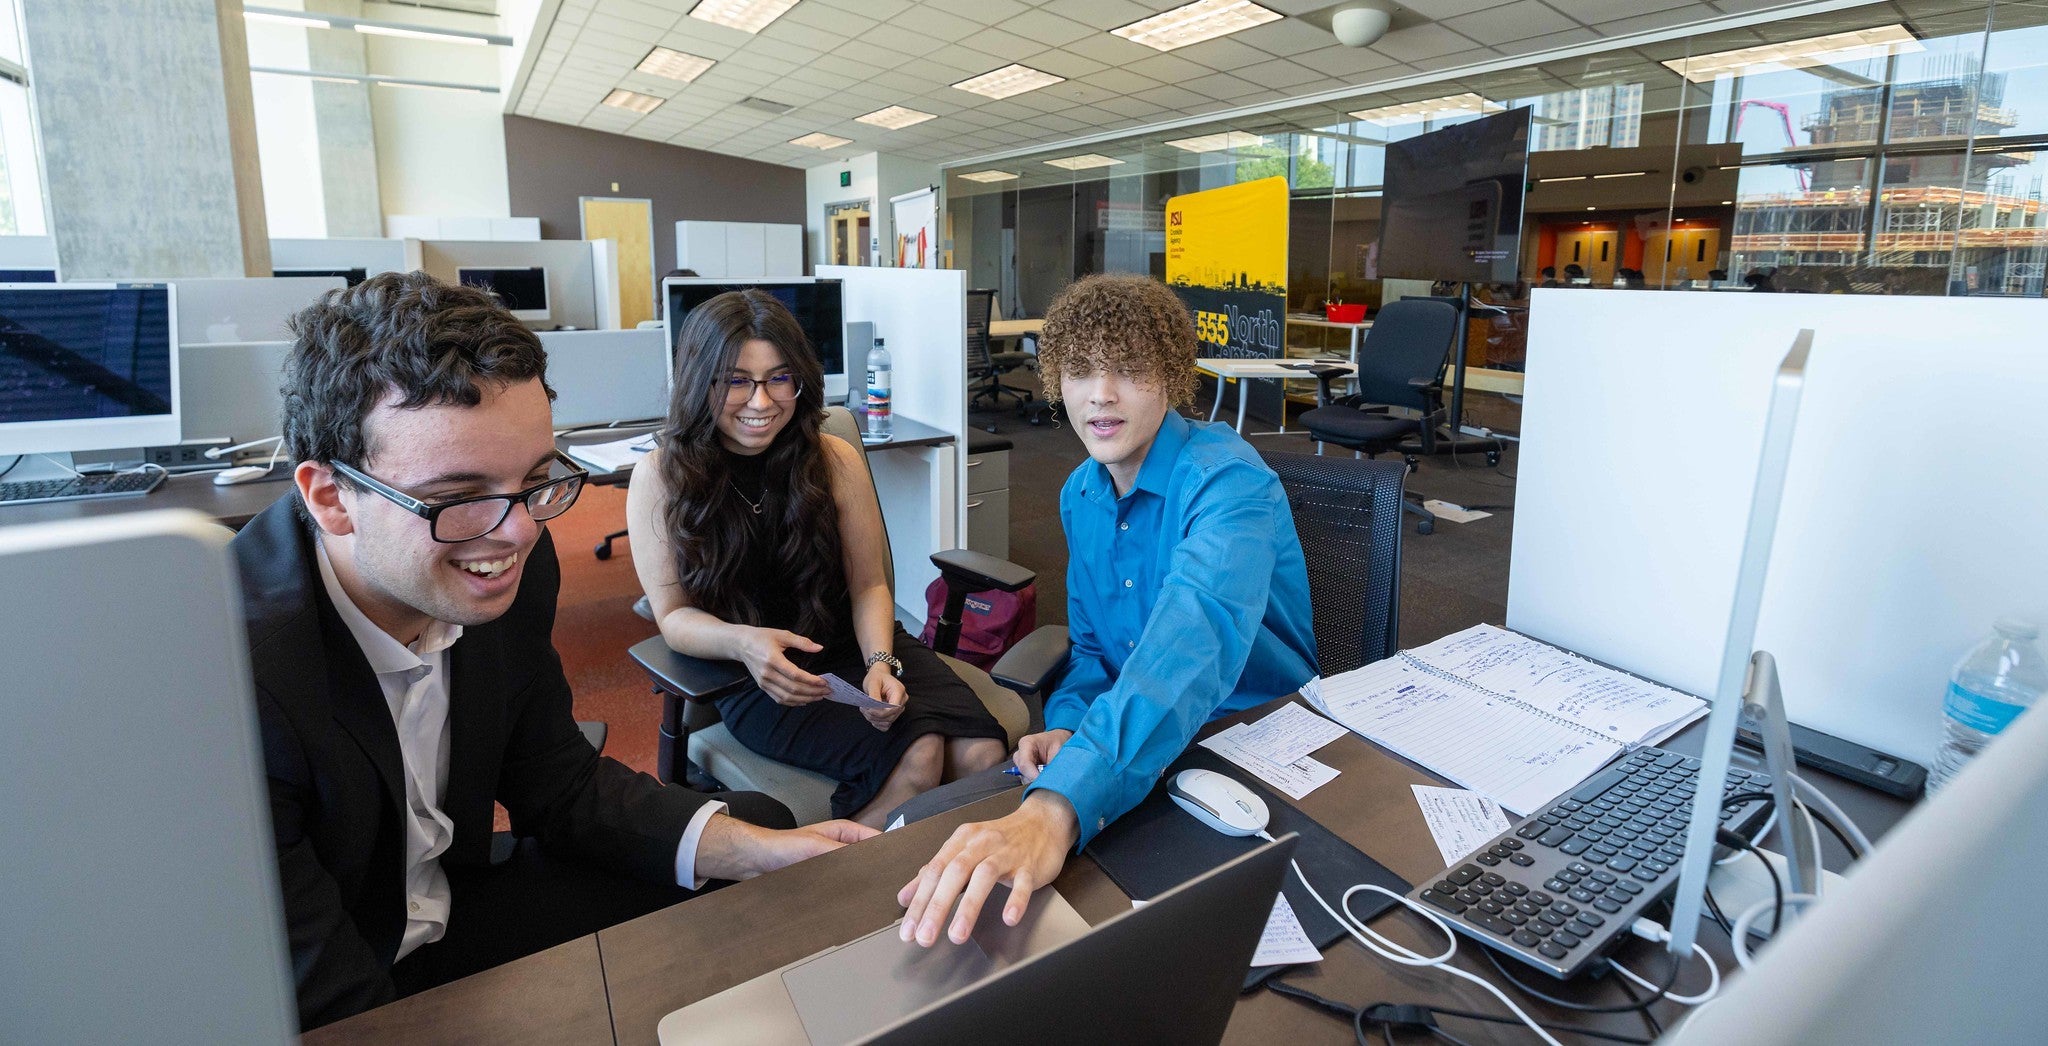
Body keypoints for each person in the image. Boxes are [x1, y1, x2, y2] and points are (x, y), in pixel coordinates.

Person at [237, 271, 874, 1030]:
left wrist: (760, 851)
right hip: (319, 979)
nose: (518, 534)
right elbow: (312, 984)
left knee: (757, 825)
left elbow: (558, 784)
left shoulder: (506, 563)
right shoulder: (227, 673)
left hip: (446, 909)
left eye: (536, 482)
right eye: (462, 495)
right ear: (331, 498)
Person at [895, 273, 1318, 948]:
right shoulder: (1080, 493)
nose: (1101, 395)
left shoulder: (1228, 482)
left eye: (1129, 370)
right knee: (966, 887)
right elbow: (1094, 657)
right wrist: (1066, 726)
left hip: (1245, 743)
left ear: (1174, 376)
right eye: (1081, 370)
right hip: (1132, 743)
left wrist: (1060, 806)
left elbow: (1186, 652)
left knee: (1169, 950)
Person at [625, 289, 1008, 829]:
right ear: (699, 381)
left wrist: (880, 663)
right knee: (919, 760)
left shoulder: (831, 458)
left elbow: (870, 584)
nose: (761, 402)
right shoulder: (661, 478)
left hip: (858, 645)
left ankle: (946, 884)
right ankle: (840, 888)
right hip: (759, 675)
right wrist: (744, 643)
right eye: (736, 380)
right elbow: (672, 616)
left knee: (980, 757)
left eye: (779, 378)